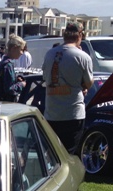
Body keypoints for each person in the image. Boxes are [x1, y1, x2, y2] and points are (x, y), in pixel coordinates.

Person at [41, 21, 93, 154]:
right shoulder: (83, 56)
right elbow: (89, 83)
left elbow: (45, 78)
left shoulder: (50, 54)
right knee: (69, 154)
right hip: (73, 113)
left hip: (52, 113)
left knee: (52, 154)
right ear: (80, 35)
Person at [0, 35, 26, 103]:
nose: (22, 53)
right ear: (14, 48)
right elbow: (10, 89)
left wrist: (16, 80)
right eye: (21, 49)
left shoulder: (3, 63)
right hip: (6, 104)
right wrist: (21, 84)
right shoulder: (8, 65)